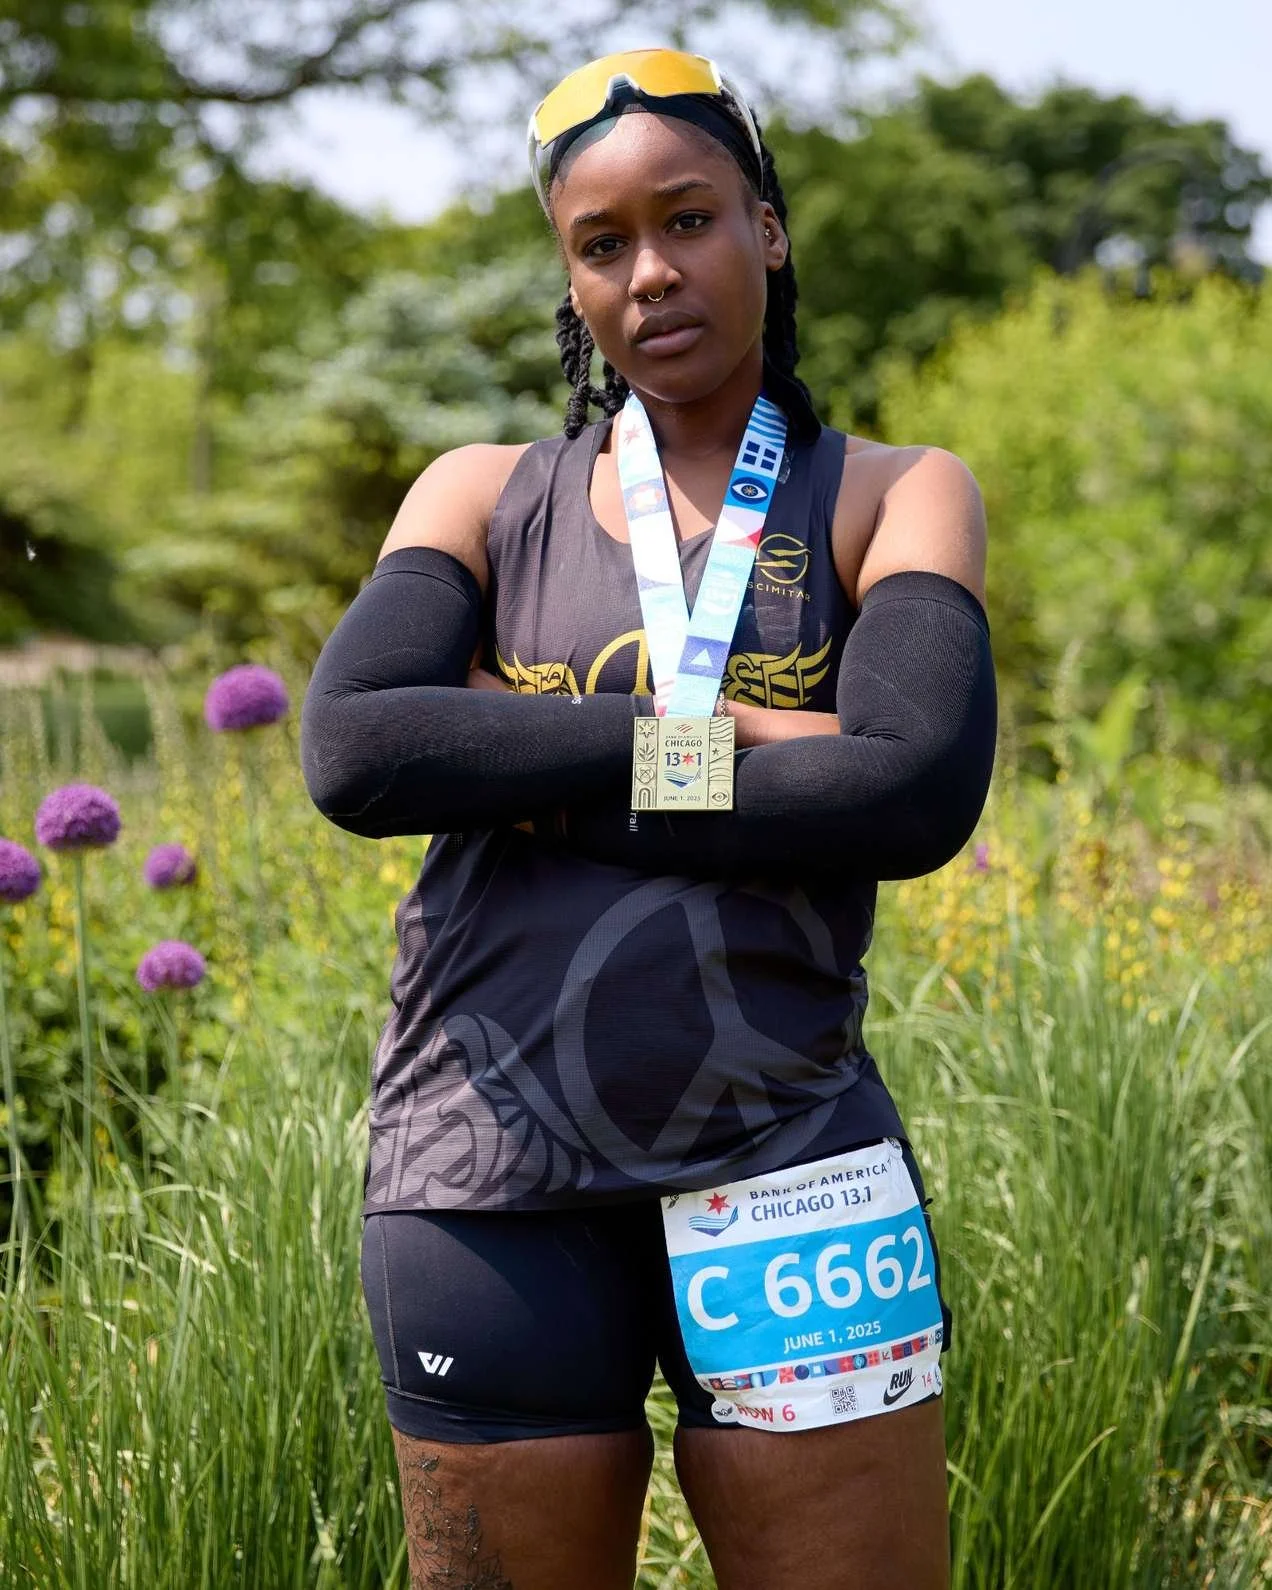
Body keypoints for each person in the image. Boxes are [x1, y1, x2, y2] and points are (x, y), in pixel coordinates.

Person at [301, 46, 995, 1590]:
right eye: (600, 245)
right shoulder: (478, 493)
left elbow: (909, 785)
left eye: (687, 220)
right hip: (483, 1169)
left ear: (770, 228)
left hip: (790, 1162)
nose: (649, 272)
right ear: (570, 282)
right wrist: (707, 741)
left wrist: (517, 743)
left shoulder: (895, 494)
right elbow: (357, 754)